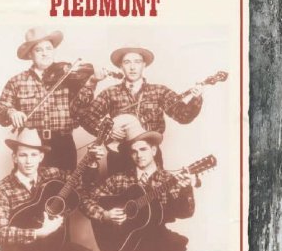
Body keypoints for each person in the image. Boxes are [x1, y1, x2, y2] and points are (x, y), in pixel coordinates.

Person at [80, 121, 197, 251]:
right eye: (134, 151)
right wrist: (105, 215)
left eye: (143, 149)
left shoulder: (168, 179)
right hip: (126, 242)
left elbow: (186, 213)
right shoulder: (120, 179)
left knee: (175, 243)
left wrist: (186, 189)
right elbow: (85, 198)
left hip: (155, 239)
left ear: (154, 150)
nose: (138, 155)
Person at [0, 128, 104, 251]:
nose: (29, 161)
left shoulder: (52, 174)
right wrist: (38, 233)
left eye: (33, 155)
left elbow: (81, 181)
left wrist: (93, 162)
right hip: (23, 250)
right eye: (23, 155)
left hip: (53, 247)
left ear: (41, 157)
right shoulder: (2, 189)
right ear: (14, 157)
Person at [79, 46, 203, 174]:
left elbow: (184, 117)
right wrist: (106, 131)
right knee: (118, 193)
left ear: (144, 65)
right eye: (127, 62)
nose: (132, 67)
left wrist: (196, 98)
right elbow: (85, 116)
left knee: (153, 193)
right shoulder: (110, 93)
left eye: (137, 62)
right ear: (120, 66)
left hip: (149, 155)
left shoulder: (159, 91)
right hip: (119, 155)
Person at [0, 27, 103, 170]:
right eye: (39, 50)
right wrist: (11, 112)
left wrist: (91, 83)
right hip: (31, 146)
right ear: (30, 55)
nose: (45, 54)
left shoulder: (68, 76)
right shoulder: (17, 81)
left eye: (49, 49)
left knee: (63, 190)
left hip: (63, 144)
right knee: (32, 190)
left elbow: (80, 109)